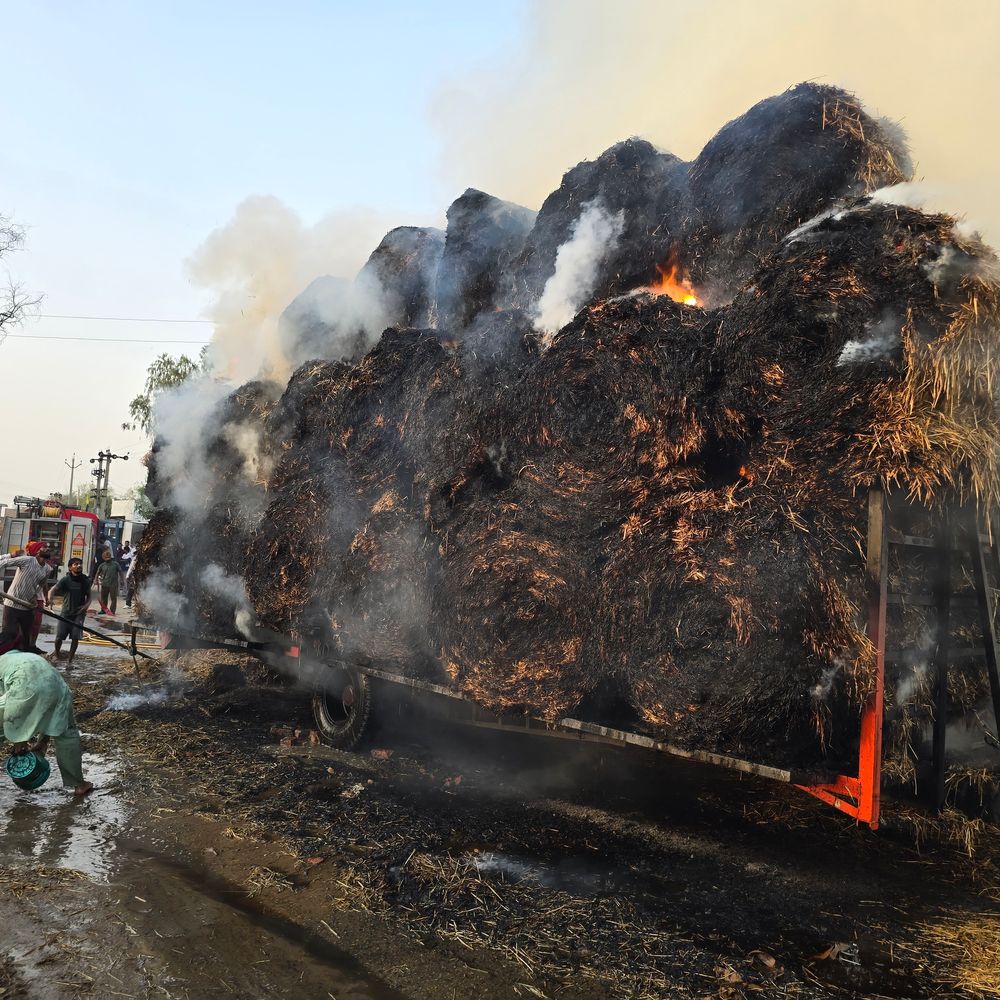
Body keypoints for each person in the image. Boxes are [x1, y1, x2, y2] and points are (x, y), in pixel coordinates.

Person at [0, 650, 93, 796]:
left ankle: (19, 744)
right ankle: (79, 785)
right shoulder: (21, 657)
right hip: (58, 686)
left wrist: (19, 739)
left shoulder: (5, 664)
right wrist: (43, 741)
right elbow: (47, 706)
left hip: (23, 686)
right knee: (66, 734)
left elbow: (15, 709)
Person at [0, 545, 55, 654]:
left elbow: (41, 584)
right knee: (9, 633)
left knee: (26, 638)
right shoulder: (26, 560)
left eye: (49, 549)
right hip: (12, 603)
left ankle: (23, 657)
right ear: (38, 552)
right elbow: (4, 563)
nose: (47, 549)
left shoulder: (48, 569)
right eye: (44, 548)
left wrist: (35, 596)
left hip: (27, 606)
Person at [47, 558, 92, 667]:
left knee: (75, 637)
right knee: (59, 637)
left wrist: (86, 606)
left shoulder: (85, 581)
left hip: (79, 614)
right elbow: (52, 589)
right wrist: (50, 599)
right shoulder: (66, 580)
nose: (79, 566)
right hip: (66, 613)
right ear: (70, 567)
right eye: (76, 564)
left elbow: (89, 596)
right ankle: (57, 654)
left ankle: (70, 661)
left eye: (80, 564)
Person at [93, 549, 121, 615]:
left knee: (113, 598)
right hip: (104, 584)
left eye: (108, 557)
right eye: (106, 558)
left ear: (110, 557)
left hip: (113, 585)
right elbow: (97, 572)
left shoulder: (115, 564)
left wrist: (122, 580)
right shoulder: (102, 565)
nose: (107, 559)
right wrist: (95, 579)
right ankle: (103, 610)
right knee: (103, 598)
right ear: (103, 558)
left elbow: (121, 572)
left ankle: (112, 611)